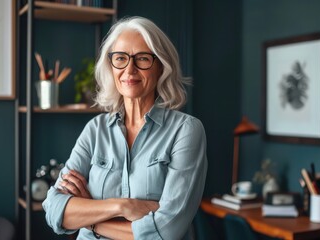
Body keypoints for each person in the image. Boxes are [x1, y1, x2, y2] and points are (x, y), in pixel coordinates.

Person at [43, 16, 208, 240]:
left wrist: (90, 219)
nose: (129, 70)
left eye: (142, 59)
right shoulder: (95, 129)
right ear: (111, 66)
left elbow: (166, 232)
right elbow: (54, 210)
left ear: (160, 66)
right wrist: (122, 206)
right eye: (120, 58)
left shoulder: (186, 131)